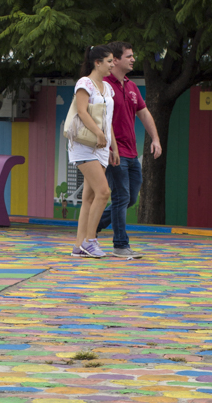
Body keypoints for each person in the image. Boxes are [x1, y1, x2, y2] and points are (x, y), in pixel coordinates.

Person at [95, 41, 162, 259]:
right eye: (129, 56)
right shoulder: (103, 85)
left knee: (130, 198)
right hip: (115, 152)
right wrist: (110, 147)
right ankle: (120, 245)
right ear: (114, 60)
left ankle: (92, 225)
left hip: (132, 153)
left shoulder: (132, 87)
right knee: (121, 196)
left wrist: (156, 139)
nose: (133, 59)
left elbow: (144, 113)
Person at [68, 45, 118, 258]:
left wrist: (113, 146)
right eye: (109, 61)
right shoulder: (85, 83)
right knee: (104, 192)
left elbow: (108, 120)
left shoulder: (108, 88)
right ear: (97, 62)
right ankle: (90, 240)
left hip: (101, 147)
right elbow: (81, 111)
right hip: (85, 145)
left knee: (89, 197)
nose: (112, 64)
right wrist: (98, 133)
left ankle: (79, 245)